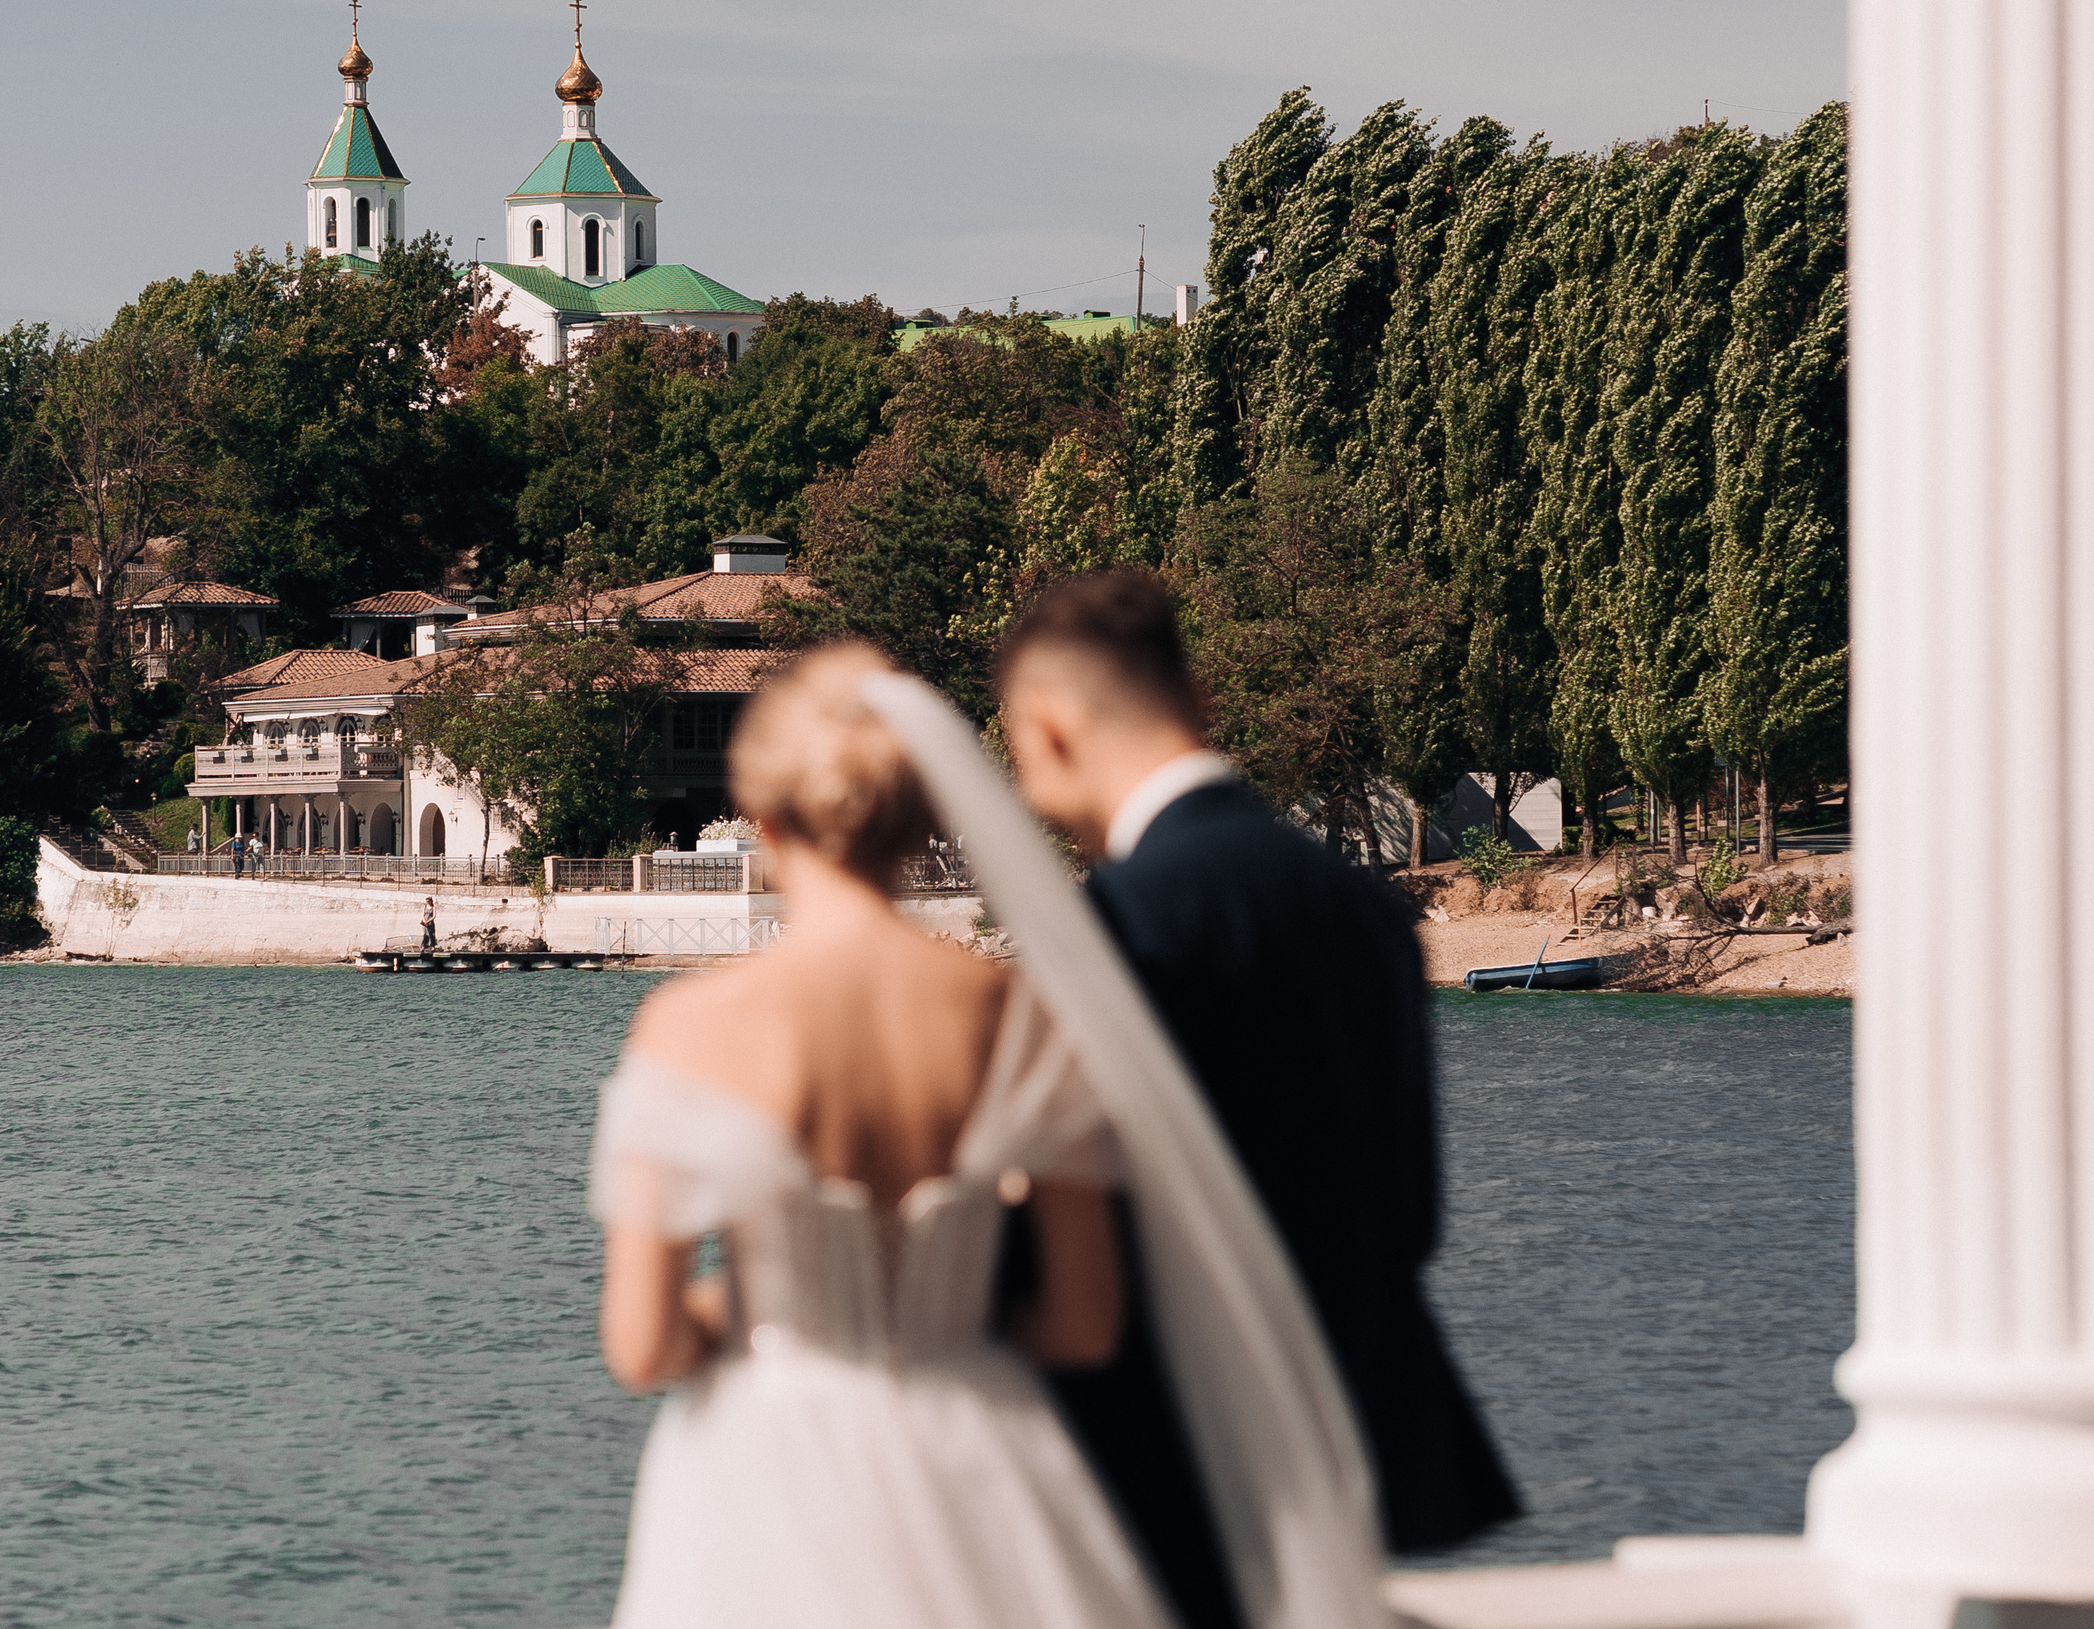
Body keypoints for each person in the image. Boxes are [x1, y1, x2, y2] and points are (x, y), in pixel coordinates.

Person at [590, 643, 1177, 1629]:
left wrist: (753, 1306)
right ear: (919, 818)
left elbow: (644, 1345)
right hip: (981, 1450)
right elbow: (1082, 1319)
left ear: (766, 825)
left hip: (764, 1470)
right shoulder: (1021, 1012)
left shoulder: (694, 1025)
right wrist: (940, 1318)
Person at [996, 571, 1518, 1629]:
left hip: (1174, 1441)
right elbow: (1408, 1207)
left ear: (1047, 728)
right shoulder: (1365, 905)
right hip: (1356, 1426)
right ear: (1191, 698)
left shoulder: (1118, 924)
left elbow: (1071, 1242)